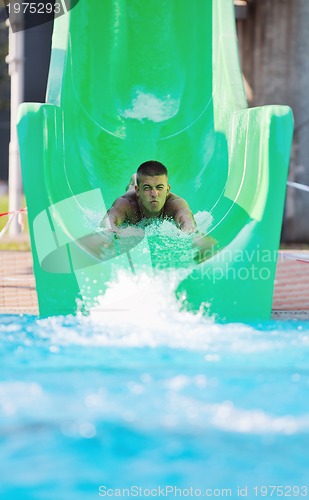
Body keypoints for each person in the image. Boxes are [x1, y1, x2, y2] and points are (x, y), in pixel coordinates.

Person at [99, 160, 217, 262]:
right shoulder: (127, 203)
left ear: (167, 189)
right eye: (147, 188)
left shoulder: (175, 204)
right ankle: (134, 180)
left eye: (160, 188)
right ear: (138, 191)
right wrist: (111, 232)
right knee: (131, 188)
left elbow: (188, 223)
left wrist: (196, 238)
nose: (154, 194)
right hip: (133, 194)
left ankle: (139, 180)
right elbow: (108, 220)